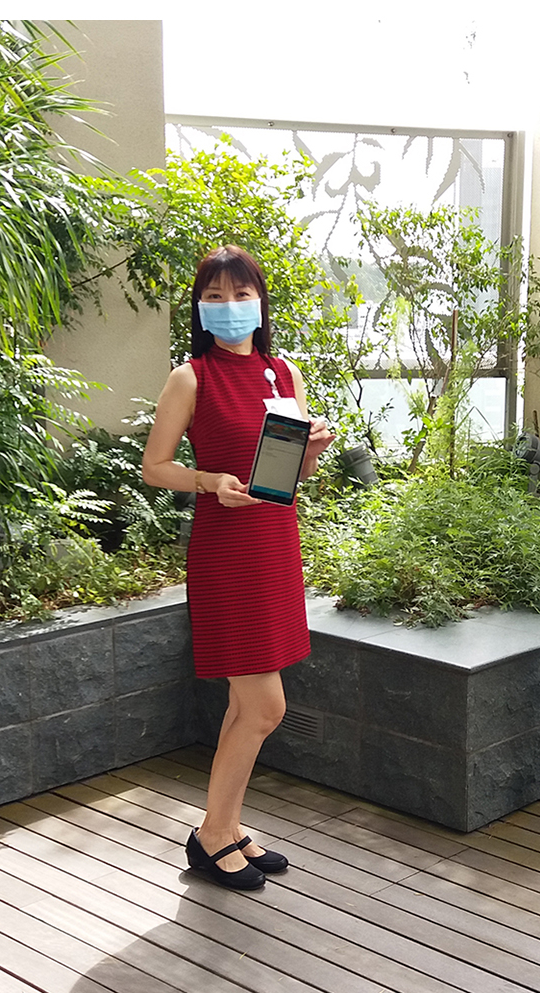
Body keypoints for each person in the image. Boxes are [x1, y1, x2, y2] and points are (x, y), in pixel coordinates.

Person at [141, 244, 334, 890]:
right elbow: (154, 466)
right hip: (226, 552)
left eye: (242, 295)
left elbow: (291, 475)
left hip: (275, 544)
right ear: (199, 308)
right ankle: (210, 833)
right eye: (215, 297)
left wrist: (313, 450)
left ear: (261, 302)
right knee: (265, 707)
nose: (230, 308)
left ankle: (225, 826)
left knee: (243, 703)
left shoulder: (284, 373)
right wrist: (208, 480)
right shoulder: (190, 377)